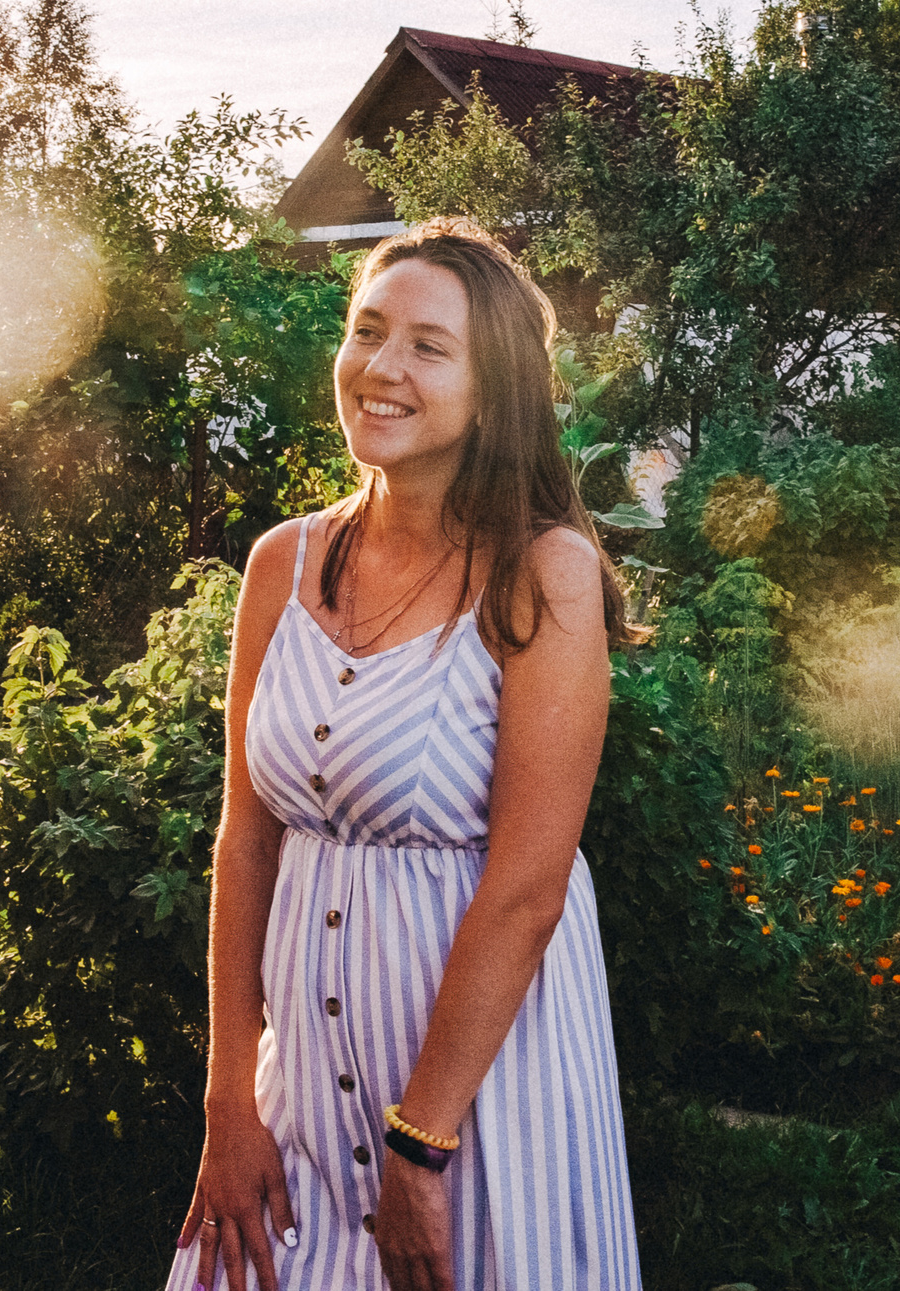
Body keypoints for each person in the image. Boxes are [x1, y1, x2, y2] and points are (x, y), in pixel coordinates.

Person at [164, 219, 644, 1291]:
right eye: (367, 332)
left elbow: (528, 887)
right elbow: (246, 843)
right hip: (302, 1098)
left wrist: (421, 1144)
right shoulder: (279, 566)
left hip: (479, 1099)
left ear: (496, 386)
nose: (381, 368)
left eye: (428, 346)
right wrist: (231, 1103)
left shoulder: (541, 574)